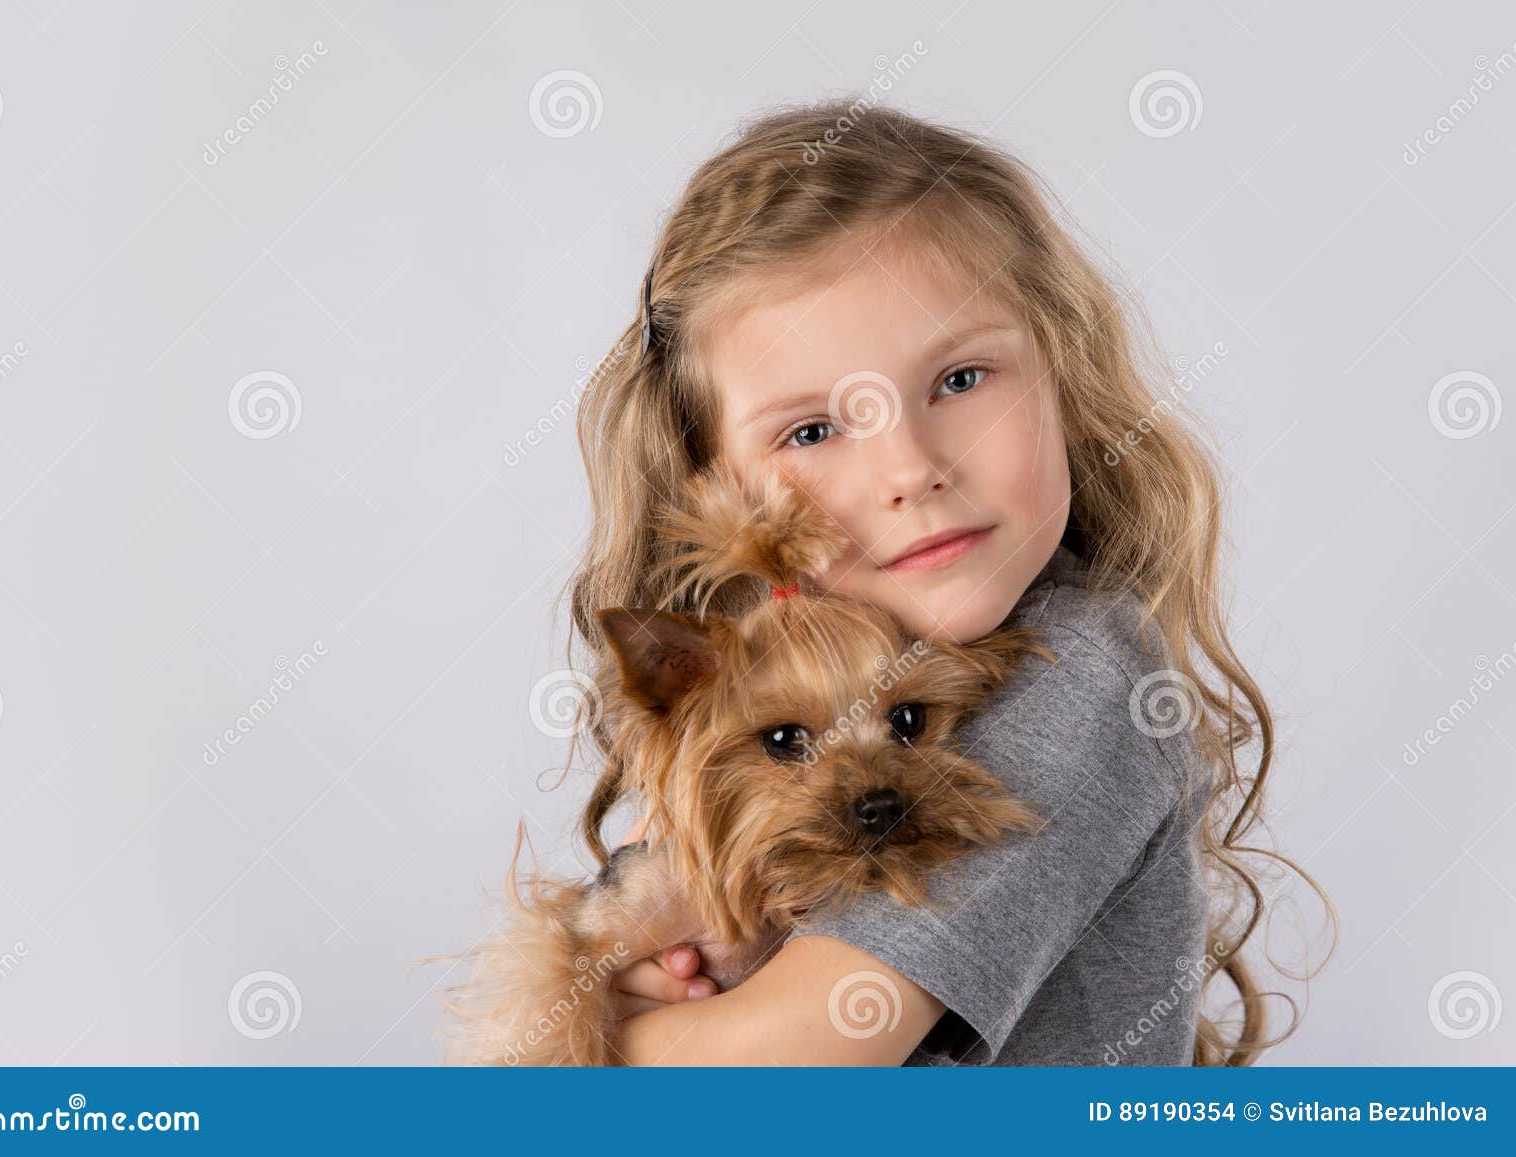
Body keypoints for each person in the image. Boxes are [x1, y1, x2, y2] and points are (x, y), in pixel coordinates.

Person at [560, 100, 1330, 1065]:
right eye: (812, 430)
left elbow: (797, 1060)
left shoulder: (1079, 672)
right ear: (710, 482)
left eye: (961, 379)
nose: (910, 468)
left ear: (1067, 374)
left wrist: (617, 1035)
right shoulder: (728, 702)